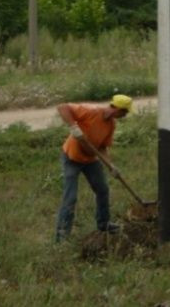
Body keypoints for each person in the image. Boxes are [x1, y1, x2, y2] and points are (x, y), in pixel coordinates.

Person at [54, 94, 133, 242]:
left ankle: (104, 224)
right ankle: (62, 236)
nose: (125, 115)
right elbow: (62, 107)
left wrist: (111, 166)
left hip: (90, 160)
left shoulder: (111, 125)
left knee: (102, 190)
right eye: (125, 112)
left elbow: (102, 147)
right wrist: (74, 127)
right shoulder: (91, 111)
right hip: (71, 158)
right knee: (70, 198)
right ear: (117, 109)